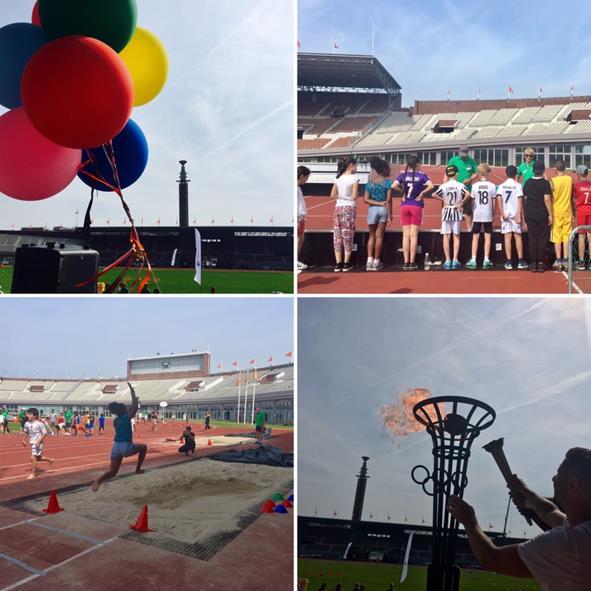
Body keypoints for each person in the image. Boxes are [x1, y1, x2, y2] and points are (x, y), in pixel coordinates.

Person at [448, 447, 591, 589]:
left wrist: (469, 521)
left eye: (558, 474)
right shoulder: (582, 532)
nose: (554, 478)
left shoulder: (570, 545)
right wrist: (526, 495)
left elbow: (491, 559)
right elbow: (550, 512)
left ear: (573, 484)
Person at [92, 383, 147, 492]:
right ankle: (138, 469)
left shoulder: (116, 421)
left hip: (115, 447)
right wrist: (133, 392)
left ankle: (99, 480)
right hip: (126, 447)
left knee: (113, 471)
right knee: (144, 447)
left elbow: (131, 408)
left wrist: (133, 400)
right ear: (123, 410)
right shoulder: (127, 418)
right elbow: (134, 406)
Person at [392, 155, 433, 270]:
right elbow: (431, 186)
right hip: (416, 205)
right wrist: (421, 194)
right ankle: (412, 261)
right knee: (413, 235)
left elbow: (393, 185)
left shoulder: (402, 175)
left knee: (405, 235)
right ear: (418, 164)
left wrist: (402, 193)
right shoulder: (422, 175)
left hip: (405, 205)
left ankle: (405, 262)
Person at [433, 165, 471, 270]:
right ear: (456, 174)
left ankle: (447, 260)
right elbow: (468, 194)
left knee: (446, 236)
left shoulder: (444, 186)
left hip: (446, 211)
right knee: (456, 236)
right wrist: (461, 203)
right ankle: (455, 260)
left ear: (447, 174)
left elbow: (433, 194)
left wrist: (443, 200)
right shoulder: (460, 185)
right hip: (456, 211)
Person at [523, 160, 553, 272]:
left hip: (530, 212)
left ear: (533, 170)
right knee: (542, 238)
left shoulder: (528, 182)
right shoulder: (545, 183)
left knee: (532, 237)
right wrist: (550, 214)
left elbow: (525, 199)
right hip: (542, 213)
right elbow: (547, 199)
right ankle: (540, 263)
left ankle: (533, 262)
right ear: (543, 170)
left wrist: (524, 214)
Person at [363, 157, 392, 271]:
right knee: (379, 236)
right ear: (384, 169)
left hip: (372, 209)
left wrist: (376, 203)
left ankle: (369, 261)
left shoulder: (370, 183)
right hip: (383, 209)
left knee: (371, 235)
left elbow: (366, 199)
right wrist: (390, 215)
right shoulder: (388, 183)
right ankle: (376, 261)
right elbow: (388, 200)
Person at [496, 165, 528, 270]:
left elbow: (499, 199)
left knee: (507, 237)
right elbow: (520, 200)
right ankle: (520, 260)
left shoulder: (501, 186)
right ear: (516, 175)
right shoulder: (518, 186)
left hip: (505, 214)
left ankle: (509, 261)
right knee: (518, 237)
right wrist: (519, 214)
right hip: (515, 214)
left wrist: (502, 213)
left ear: (506, 174)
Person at [331, 157, 359, 272]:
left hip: (338, 207)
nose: (357, 168)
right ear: (350, 165)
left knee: (337, 235)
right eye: (356, 165)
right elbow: (354, 196)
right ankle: (346, 263)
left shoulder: (338, 178)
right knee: (347, 234)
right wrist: (354, 193)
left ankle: (338, 263)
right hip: (349, 207)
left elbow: (332, 195)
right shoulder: (354, 178)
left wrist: (341, 197)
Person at [466, 164, 496, 270]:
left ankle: (473, 259)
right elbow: (493, 202)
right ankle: (486, 259)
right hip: (487, 213)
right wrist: (493, 213)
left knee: (475, 236)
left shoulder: (474, 186)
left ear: (478, 174)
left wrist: (474, 212)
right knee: (488, 236)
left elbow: (473, 201)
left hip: (478, 214)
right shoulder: (492, 186)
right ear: (488, 173)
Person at [550, 159, 574, 270]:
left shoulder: (553, 181)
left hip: (556, 211)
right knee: (566, 236)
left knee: (557, 237)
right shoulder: (569, 179)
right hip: (567, 211)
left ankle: (558, 259)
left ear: (555, 169)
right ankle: (565, 259)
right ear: (564, 168)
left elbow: (550, 197)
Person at [447, 147, 479, 230]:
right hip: (455, 190)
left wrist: (470, 179)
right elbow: (447, 173)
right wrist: (445, 184)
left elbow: (476, 173)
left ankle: (469, 230)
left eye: (465, 154)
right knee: (454, 209)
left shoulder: (471, 161)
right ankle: (453, 229)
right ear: (459, 152)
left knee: (468, 211)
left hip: (467, 190)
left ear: (467, 153)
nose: (463, 156)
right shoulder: (453, 160)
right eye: (462, 154)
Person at [21, 407, 54, 479]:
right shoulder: (26, 423)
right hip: (32, 442)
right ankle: (50, 460)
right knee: (38, 458)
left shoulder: (40, 424)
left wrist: (38, 441)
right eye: (27, 414)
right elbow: (26, 431)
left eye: (29, 414)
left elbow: (44, 433)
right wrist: (23, 440)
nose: (27, 415)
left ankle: (33, 474)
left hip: (38, 443)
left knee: (32, 458)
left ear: (35, 416)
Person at [573, 164, 591, 270]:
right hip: (590, 210)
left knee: (581, 237)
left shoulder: (576, 185)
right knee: (590, 237)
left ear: (579, 174)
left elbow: (574, 198)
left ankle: (581, 261)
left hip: (581, 212)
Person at [297, 165, 311, 272]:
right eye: (306, 177)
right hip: (298, 217)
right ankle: (295, 261)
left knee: (300, 239)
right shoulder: (296, 188)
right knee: (299, 239)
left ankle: (296, 261)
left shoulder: (298, 188)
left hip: (300, 217)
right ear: (301, 176)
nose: (307, 180)